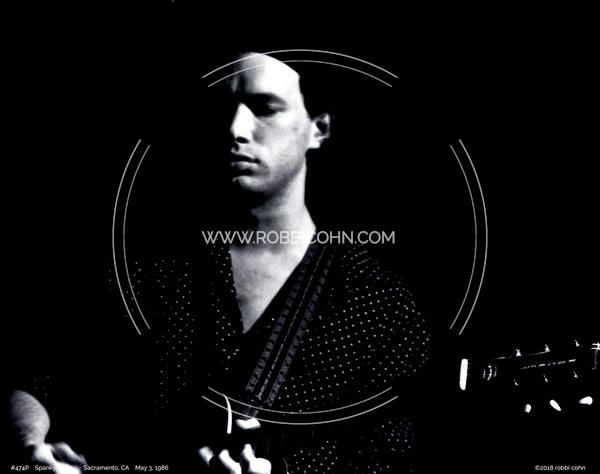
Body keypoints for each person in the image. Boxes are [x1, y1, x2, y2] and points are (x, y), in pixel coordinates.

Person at [8, 52, 431, 473]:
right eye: (224, 109)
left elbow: (390, 456)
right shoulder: (145, 269)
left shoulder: (380, 302)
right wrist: (31, 446)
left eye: (265, 108)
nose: (235, 129)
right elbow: (42, 378)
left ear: (319, 129)